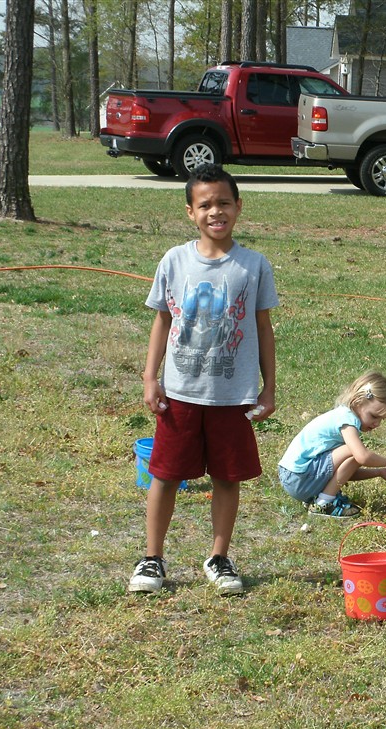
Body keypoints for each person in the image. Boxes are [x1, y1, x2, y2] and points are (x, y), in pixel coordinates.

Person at [128, 164, 278, 596]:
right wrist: (150, 378)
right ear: (190, 212)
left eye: (224, 203)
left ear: (239, 207)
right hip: (180, 393)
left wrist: (268, 387)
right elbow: (162, 321)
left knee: (227, 478)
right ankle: (152, 558)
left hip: (233, 395)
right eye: (206, 204)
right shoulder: (174, 261)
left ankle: (219, 556)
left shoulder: (253, 266)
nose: (216, 212)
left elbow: (263, 328)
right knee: (165, 475)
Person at [279, 371, 386, 518]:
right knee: (355, 451)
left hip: (295, 478)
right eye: (374, 416)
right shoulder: (347, 420)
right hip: (298, 478)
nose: (377, 423)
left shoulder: (343, 416)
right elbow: (362, 457)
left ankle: (321, 498)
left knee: (354, 452)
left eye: (381, 419)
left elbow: (343, 473)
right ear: (358, 401)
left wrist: (379, 472)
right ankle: (323, 504)